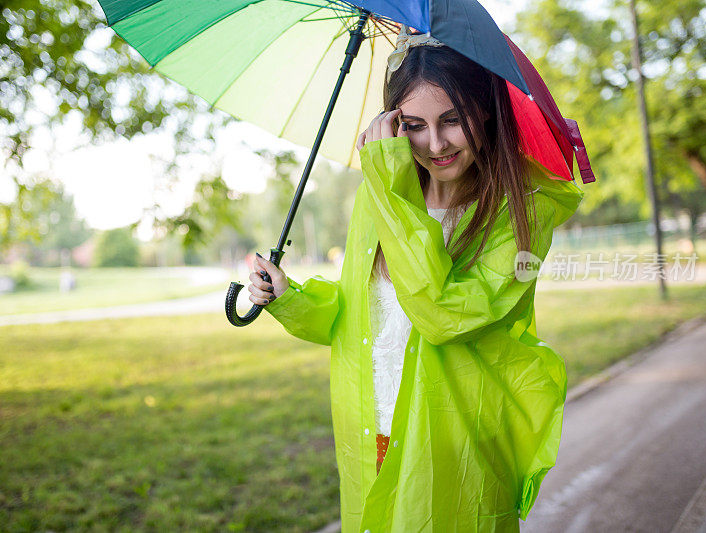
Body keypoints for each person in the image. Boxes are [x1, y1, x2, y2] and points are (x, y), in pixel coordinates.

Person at [248, 25, 584, 533]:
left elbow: (445, 314)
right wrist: (285, 296)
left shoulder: (524, 214)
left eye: (453, 119)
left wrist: (394, 191)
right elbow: (359, 318)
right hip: (372, 435)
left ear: (485, 109)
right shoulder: (382, 196)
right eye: (413, 125)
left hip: (456, 442)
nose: (434, 144)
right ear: (392, 123)